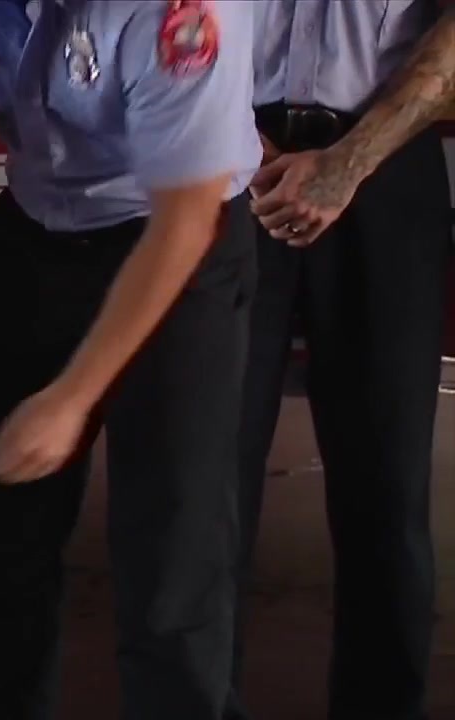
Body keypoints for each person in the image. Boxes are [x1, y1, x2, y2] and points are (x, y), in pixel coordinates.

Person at [0, 0, 260, 717]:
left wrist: (71, 399)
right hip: (38, 234)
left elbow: (186, 221)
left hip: (176, 251)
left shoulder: (169, 13)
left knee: (173, 554)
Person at [229, 4, 455, 719]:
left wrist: (351, 161)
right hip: (223, 163)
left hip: (389, 161)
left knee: (386, 488)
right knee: (204, 485)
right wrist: (232, 143)